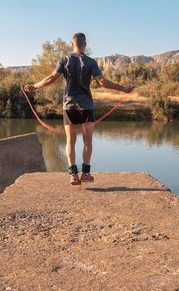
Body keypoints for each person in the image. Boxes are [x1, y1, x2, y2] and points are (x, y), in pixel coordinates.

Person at [23, 33, 134, 185]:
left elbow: (51, 78)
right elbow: (102, 81)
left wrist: (34, 86)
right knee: (88, 141)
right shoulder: (90, 62)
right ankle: (86, 174)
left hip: (69, 106)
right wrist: (123, 88)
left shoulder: (64, 60)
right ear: (85, 45)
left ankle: (73, 175)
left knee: (70, 141)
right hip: (86, 106)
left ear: (71, 43)